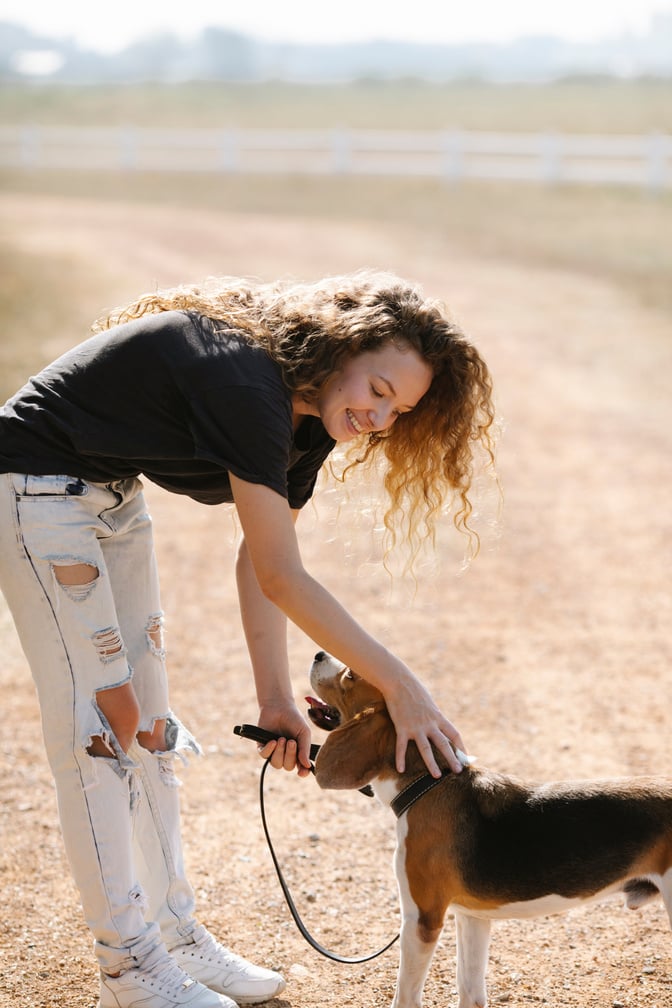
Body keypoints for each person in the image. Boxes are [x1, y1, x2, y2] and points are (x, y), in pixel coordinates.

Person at [0, 269, 496, 1008]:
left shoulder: (313, 416)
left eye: (402, 410)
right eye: (381, 390)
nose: (382, 418)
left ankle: (173, 933)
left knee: (152, 732)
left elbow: (258, 559)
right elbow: (281, 578)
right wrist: (402, 687)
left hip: (110, 497)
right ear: (343, 345)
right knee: (100, 733)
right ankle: (127, 967)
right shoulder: (246, 381)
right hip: (35, 488)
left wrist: (275, 700)